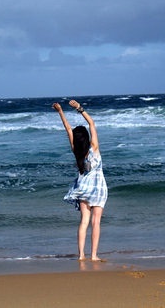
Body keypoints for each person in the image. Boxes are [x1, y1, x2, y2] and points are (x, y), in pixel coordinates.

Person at [52, 100, 108, 261]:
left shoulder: (76, 151)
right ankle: (94, 255)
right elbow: (91, 123)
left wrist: (60, 111)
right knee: (96, 222)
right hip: (99, 189)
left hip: (83, 188)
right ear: (87, 138)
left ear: (76, 141)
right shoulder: (94, 148)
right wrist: (79, 108)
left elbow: (68, 129)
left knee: (84, 221)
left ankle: (81, 255)